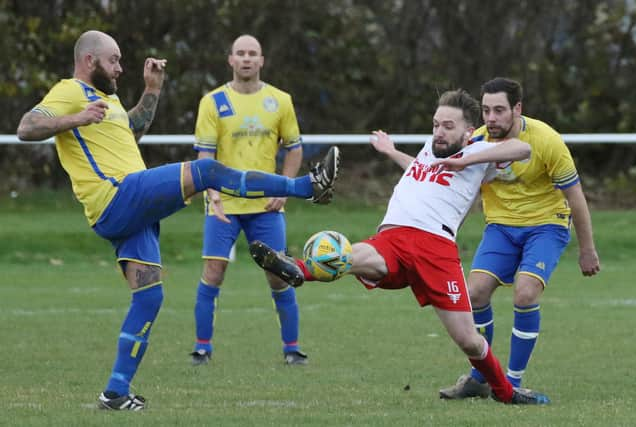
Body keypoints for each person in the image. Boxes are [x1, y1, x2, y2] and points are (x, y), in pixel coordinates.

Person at [16, 30, 339, 411]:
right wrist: (75, 117)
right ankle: (308, 185)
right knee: (209, 171)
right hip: (119, 196)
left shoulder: (107, 99)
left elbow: (131, 130)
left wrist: (151, 90)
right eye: (114, 60)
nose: (120, 68)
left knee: (150, 296)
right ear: (90, 61)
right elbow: (26, 128)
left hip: (130, 211)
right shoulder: (70, 91)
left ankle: (115, 392)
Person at [249, 89, 551, 405]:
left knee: (470, 341)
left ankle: (505, 393)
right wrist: (391, 151)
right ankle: (295, 269)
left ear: (467, 131)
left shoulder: (480, 153)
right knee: (349, 255)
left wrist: (467, 159)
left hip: (435, 249)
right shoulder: (430, 148)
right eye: (436, 124)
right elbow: (422, 172)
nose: (439, 132)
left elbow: (522, 149)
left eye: (448, 126)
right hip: (393, 236)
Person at [439, 77, 600, 399]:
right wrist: (446, 231)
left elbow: (576, 196)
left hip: (546, 226)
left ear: (517, 109)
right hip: (500, 228)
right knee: (474, 293)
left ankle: (510, 383)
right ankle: (480, 378)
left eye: (499, 110)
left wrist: (587, 249)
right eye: (485, 110)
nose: (491, 118)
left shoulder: (546, 141)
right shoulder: (477, 142)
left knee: (525, 295)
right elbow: (466, 193)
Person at [189, 34, 309, 366]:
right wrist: (212, 194)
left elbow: (294, 148)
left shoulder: (280, 100)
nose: (246, 58)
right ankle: (202, 348)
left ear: (261, 60)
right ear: (230, 59)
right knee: (214, 271)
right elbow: (205, 154)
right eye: (240, 53)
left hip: (265, 207)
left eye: (252, 53)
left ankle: (292, 349)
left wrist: (282, 190)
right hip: (224, 205)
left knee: (278, 273)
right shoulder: (212, 102)